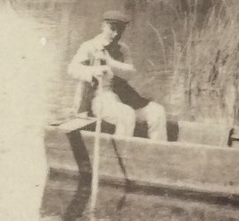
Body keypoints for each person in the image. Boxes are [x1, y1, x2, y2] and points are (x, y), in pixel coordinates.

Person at [67, 9, 168, 141]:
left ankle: (157, 153)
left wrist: (110, 63)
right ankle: (123, 156)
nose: (116, 34)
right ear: (103, 26)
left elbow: (130, 73)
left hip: (123, 95)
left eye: (120, 31)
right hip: (99, 97)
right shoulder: (89, 47)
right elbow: (72, 69)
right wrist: (92, 71)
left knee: (157, 112)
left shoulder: (123, 49)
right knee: (126, 115)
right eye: (112, 29)